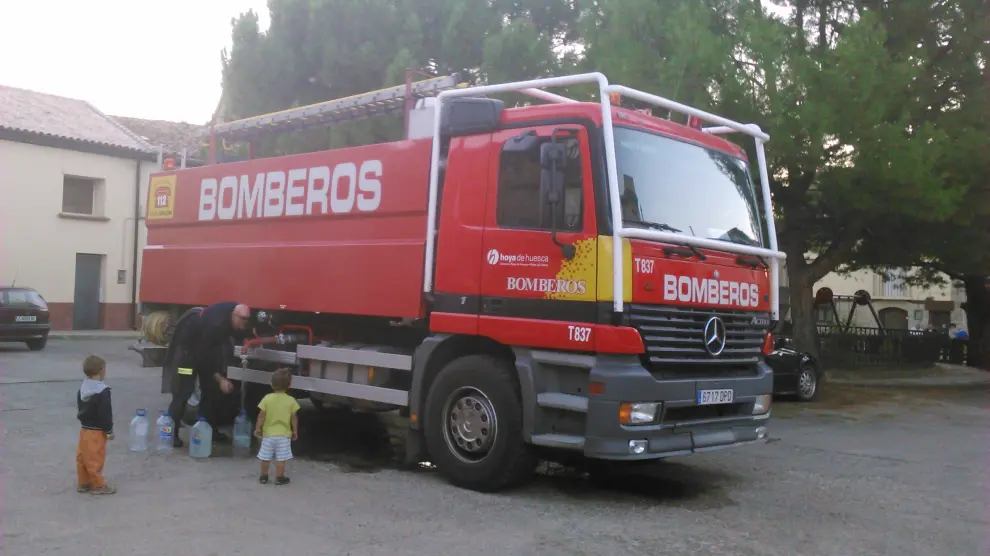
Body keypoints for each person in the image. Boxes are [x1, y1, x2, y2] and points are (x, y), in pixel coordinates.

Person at [167, 302, 252, 447]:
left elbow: (235, 334)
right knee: (183, 392)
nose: (244, 323)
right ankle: (170, 433)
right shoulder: (214, 325)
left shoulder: (233, 313)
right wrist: (220, 379)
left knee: (211, 391)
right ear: (234, 315)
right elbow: (204, 359)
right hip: (188, 354)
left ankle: (208, 429)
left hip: (208, 351)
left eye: (247, 320)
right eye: (242, 320)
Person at [76, 355, 116, 495]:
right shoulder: (103, 391)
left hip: (84, 429)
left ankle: (83, 482)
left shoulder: (83, 388)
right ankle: (98, 485)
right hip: (97, 431)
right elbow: (105, 413)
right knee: (95, 458)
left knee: (82, 456)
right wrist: (109, 430)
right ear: (101, 370)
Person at [255, 368, 300, 485]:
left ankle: (264, 476)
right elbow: (294, 417)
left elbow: (261, 415)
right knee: (281, 458)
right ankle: (280, 477)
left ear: (271, 384)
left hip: (268, 434)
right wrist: (295, 431)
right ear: (289, 385)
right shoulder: (291, 400)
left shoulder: (267, 398)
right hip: (284, 435)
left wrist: (258, 428)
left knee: (265, 457)